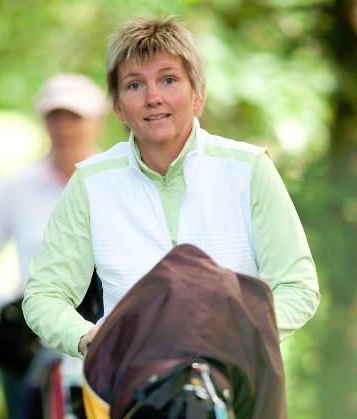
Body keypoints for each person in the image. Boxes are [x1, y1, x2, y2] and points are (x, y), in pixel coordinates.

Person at [23, 16, 320, 364]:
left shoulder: (249, 169)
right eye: (135, 85)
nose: (153, 98)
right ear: (118, 106)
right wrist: (86, 336)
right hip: (132, 381)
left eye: (168, 80)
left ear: (198, 94)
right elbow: (45, 293)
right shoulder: (91, 182)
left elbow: (297, 286)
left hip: (239, 379)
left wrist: (239, 334)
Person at [0, 73, 107, 419]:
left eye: (75, 117)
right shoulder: (11, 188)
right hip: (33, 344)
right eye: (54, 116)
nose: (64, 127)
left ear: (98, 120)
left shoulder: (117, 181)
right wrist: (14, 308)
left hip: (105, 337)